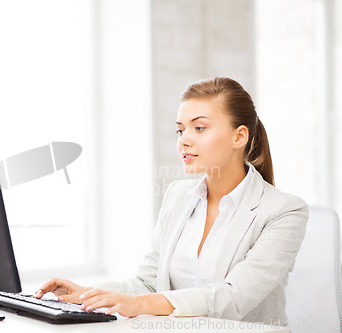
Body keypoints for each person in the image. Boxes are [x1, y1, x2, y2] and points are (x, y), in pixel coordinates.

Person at [34, 77, 308, 324]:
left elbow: (232, 299)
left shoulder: (283, 211)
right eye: (181, 130)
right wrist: (91, 294)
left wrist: (139, 304)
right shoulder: (178, 195)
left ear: (239, 136)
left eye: (199, 128)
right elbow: (150, 283)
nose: (184, 140)